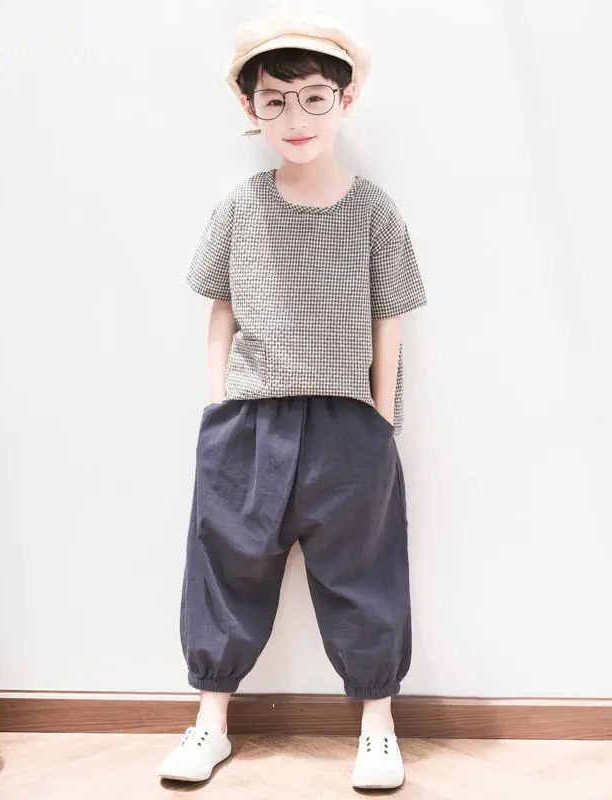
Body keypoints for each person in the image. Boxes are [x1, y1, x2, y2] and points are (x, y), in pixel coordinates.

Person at [158, 7, 427, 791]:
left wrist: (381, 416)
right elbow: (221, 309)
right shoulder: (241, 207)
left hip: (350, 422)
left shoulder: (375, 212)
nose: (296, 117)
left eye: (314, 97)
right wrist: (220, 403)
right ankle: (211, 721)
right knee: (226, 563)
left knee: (365, 571)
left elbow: (389, 317)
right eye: (275, 100)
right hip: (250, 420)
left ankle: (377, 725)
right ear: (249, 106)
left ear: (346, 100)